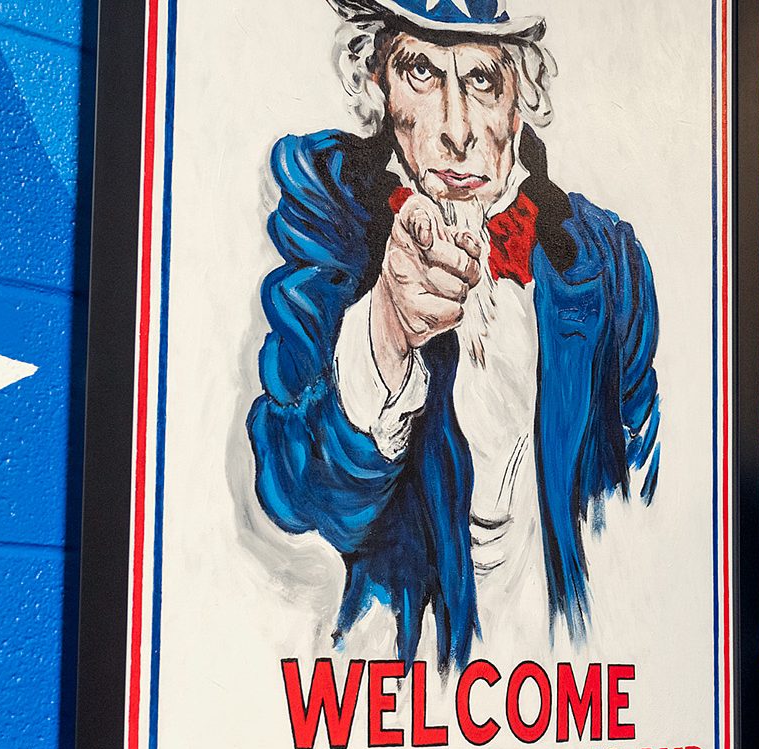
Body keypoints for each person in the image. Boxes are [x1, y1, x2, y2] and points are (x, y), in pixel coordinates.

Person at [246, 0, 661, 672]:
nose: (456, 130)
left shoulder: (605, 258)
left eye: (482, 80)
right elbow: (300, 493)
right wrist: (386, 330)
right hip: (397, 685)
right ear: (377, 82)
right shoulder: (328, 216)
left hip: (570, 682)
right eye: (421, 72)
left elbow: (641, 492)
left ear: (520, 98)